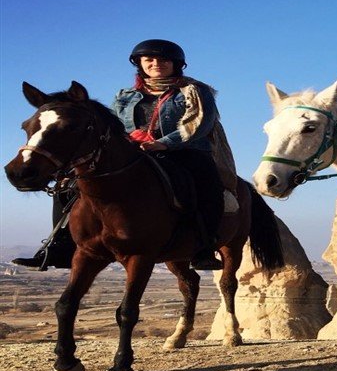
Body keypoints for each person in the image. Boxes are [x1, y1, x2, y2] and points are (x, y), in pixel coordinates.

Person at [13, 39, 236, 271]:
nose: (155, 64)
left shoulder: (195, 91)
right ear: (140, 64)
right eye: (149, 60)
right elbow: (113, 126)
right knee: (69, 183)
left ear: (176, 64)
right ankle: (60, 247)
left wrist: (163, 144)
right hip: (136, 151)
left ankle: (203, 247)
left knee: (206, 184)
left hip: (184, 151)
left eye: (163, 60)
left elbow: (201, 125)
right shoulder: (125, 95)